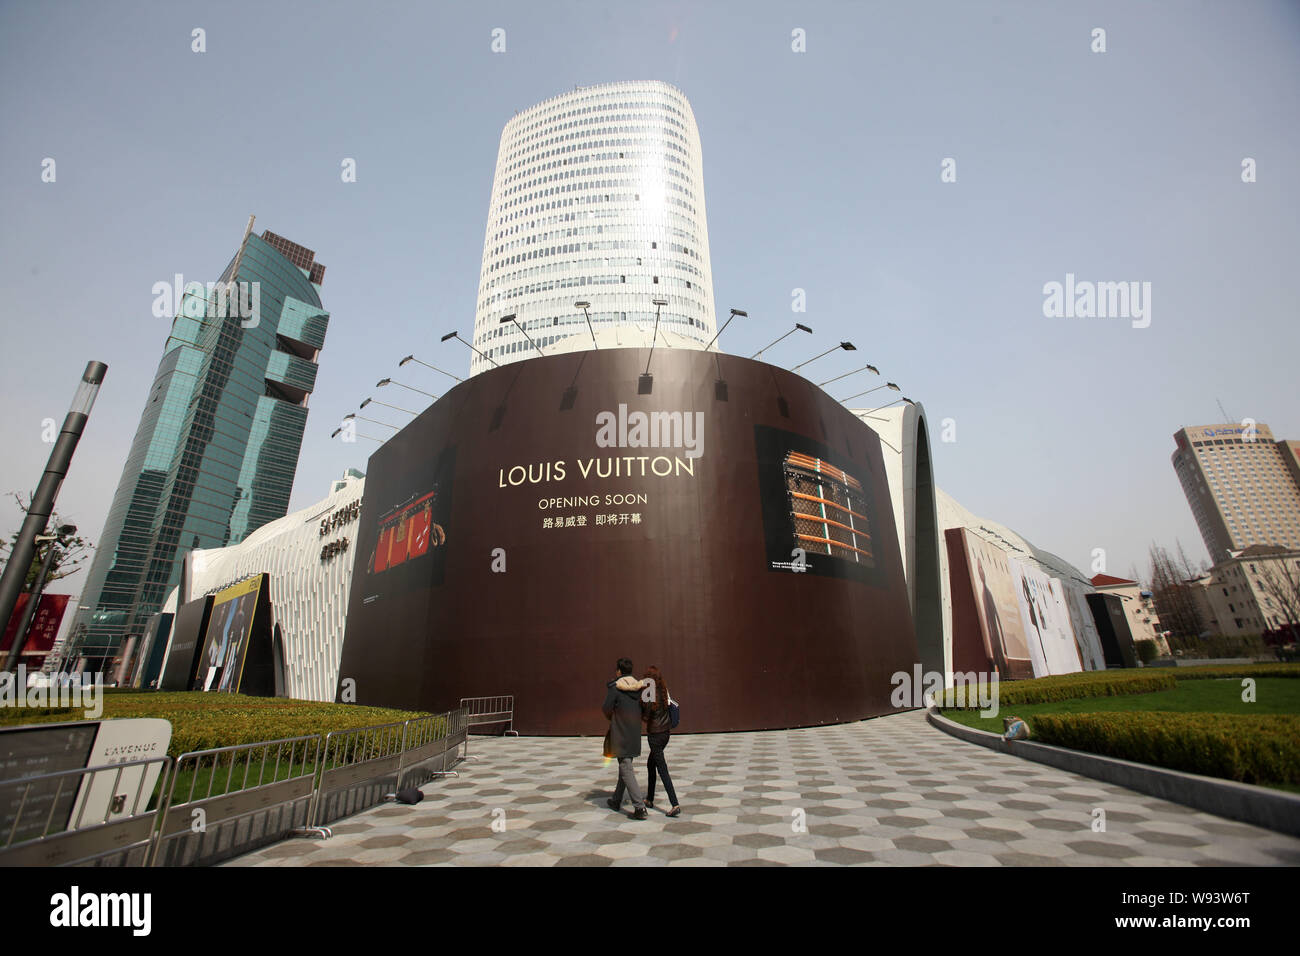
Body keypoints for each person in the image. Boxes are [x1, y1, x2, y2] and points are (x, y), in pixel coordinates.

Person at [602, 657, 647, 820]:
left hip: (621, 731)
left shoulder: (615, 688)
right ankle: (616, 800)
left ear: (619, 671)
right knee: (625, 765)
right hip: (634, 731)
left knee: (625, 767)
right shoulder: (639, 688)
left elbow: (606, 708)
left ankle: (639, 807)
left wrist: (613, 718)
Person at [641, 665, 681, 817]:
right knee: (651, 764)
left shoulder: (649, 691)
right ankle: (650, 799)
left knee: (662, 769)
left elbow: (645, 712)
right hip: (665, 733)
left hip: (655, 735)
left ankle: (675, 803)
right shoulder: (664, 690)